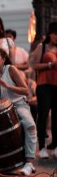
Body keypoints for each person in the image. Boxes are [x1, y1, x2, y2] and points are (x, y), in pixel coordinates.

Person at [0, 47, 37, 176]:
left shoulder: (10, 69)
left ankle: (29, 162)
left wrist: (7, 86)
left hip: (17, 105)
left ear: (3, 60)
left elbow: (26, 91)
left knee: (29, 125)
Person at [32, 21, 57, 159]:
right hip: (44, 85)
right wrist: (50, 64)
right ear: (50, 34)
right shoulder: (42, 47)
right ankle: (41, 147)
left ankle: (55, 146)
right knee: (43, 116)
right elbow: (34, 65)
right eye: (55, 34)